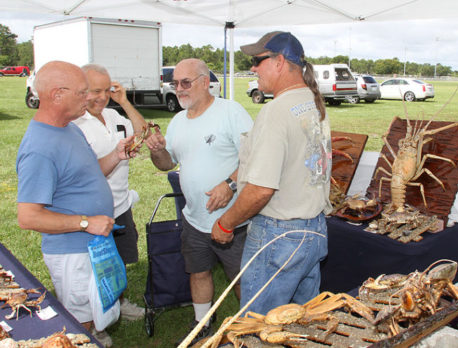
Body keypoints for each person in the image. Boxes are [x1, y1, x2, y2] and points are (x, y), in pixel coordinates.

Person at [16, 61, 137, 347]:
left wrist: (116, 155)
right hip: (73, 252)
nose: (90, 99)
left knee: (95, 313)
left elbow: (87, 171)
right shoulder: (39, 148)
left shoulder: (68, 129)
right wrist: (85, 222)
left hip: (92, 245)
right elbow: (28, 217)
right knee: (78, 324)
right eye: (82, 93)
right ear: (57, 94)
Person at [211, 31, 332, 315]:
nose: (252, 68)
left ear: (279, 62)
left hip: (278, 237)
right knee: (302, 323)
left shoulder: (276, 110)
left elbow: (261, 189)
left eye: (257, 60)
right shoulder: (313, 101)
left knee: (258, 326)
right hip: (313, 230)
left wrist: (225, 224)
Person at [146, 58, 253, 345]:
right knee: (198, 271)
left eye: (186, 82)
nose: (178, 89)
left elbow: (255, 158)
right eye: (175, 83)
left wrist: (230, 185)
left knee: (243, 280)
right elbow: (167, 163)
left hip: (234, 220)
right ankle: (202, 322)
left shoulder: (230, 112)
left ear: (205, 82)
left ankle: (252, 328)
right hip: (193, 218)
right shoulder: (178, 121)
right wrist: (157, 151)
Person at [73, 64, 148, 321]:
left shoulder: (114, 116)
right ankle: (93, 320)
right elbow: (85, 174)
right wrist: (117, 156)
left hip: (121, 204)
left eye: (107, 90)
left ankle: (120, 302)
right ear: (82, 90)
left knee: (120, 260)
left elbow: (142, 132)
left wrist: (125, 103)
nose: (103, 97)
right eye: (96, 91)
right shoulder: (74, 124)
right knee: (92, 267)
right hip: (91, 211)